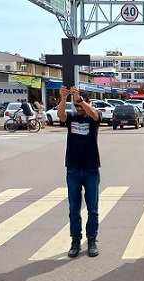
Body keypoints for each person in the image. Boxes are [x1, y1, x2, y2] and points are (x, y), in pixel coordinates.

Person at [57, 85, 102, 258]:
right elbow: (61, 116)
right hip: (73, 169)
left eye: (81, 106)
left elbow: (96, 115)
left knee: (93, 208)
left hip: (91, 169)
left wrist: (81, 100)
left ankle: (92, 240)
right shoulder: (72, 117)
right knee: (74, 208)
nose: (79, 109)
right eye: (76, 106)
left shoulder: (92, 117)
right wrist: (63, 99)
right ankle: (75, 240)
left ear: (87, 102)